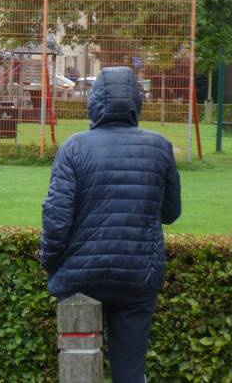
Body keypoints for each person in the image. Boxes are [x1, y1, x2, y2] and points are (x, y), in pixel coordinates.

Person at [42, 66, 181, 383]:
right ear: (136, 100)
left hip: (80, 278)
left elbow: (56, 218)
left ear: (95, 101)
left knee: (77, 365)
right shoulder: (160, 147)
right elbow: (171, 213)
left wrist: (51, 265)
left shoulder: (74, 147)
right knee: (130, 371)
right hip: (137, 277)